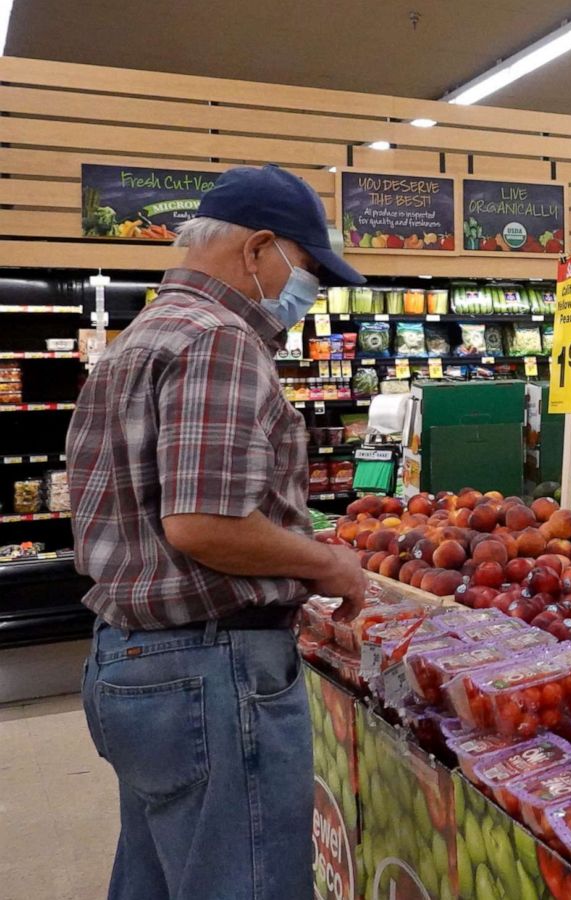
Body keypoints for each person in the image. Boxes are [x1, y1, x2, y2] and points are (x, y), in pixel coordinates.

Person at [67, 164, 368, 900]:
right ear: (260, 249)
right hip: (209, 669)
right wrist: (328, 565)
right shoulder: (220, 339)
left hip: (132, 662)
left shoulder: (142, 336)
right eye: (309, 271)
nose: (311, 294)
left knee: (157, 881)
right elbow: (206, 524)